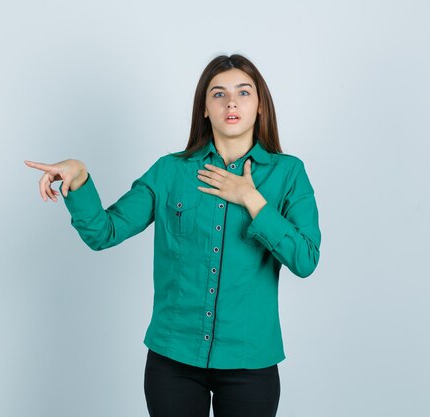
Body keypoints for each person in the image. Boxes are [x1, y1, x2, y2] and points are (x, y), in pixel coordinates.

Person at [25, 54, 321, 417]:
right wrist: (80, 176)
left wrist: (251, 198)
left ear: (260, 106)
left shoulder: (289, 173)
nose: (231, 102)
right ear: (204, 110)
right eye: (218, 94)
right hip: (173, 360)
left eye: (244, 92)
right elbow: (104, 232)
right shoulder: (170, 172)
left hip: (251, 361)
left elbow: (306, 260)